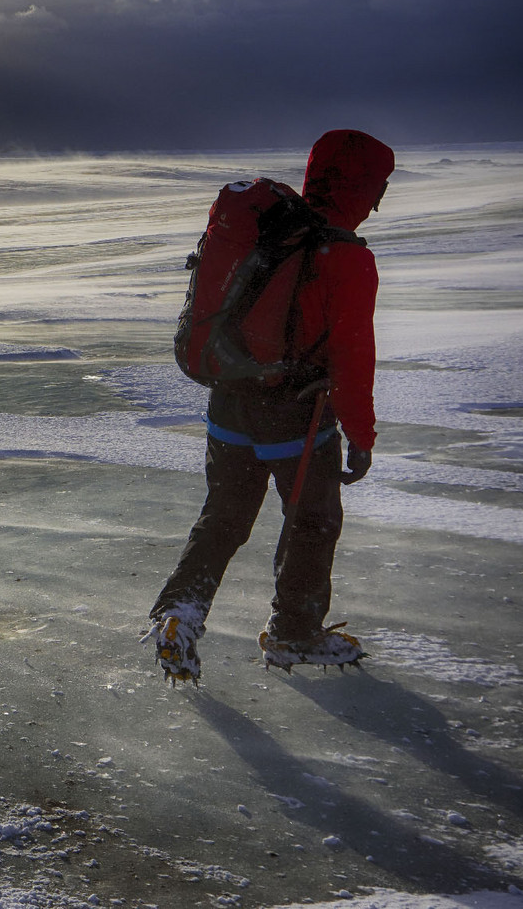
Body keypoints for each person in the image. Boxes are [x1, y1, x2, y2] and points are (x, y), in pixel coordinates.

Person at [146, 129, 395, 683]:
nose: (379, 202)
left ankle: (178, 617)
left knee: (224, 516)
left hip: (229, 401)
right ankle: (294, 632)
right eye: (378, 188)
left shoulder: (269, 229)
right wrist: (361, 435)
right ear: (363, 188)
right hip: (294, 413)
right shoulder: (344, 257)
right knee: (313, 520)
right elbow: (354, 357)